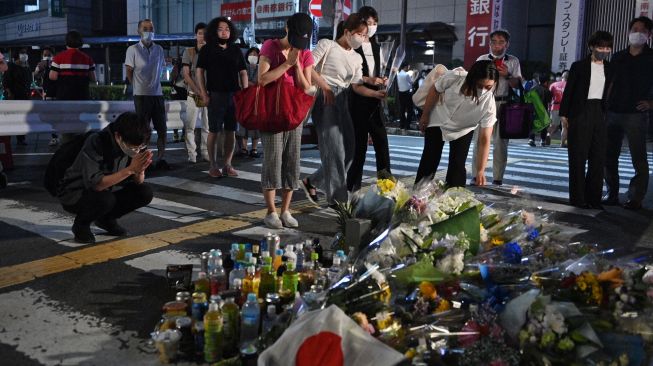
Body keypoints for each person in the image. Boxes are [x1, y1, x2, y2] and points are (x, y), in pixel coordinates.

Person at [300, 13, 386, 209]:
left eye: (365, 36)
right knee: (335, 150)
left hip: (343, 99)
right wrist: (325, 86)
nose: (363, 39)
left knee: (350, 151)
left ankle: (312, 181)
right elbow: (308, 67)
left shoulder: (356, 57)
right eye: (360, 34)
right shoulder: (327, 45)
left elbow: (356, 84)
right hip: (325, 97)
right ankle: (338, 201)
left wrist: (374, 91)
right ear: (347, 31)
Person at [57, 112, 154, 244]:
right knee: (105, 199)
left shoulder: (137, 141)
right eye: (133, 147)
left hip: (109, 190)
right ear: (118, 136)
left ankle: (106, 219)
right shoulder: (97, 141)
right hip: (76, 192)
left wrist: (140, 171)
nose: (136, 151)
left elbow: (138, 182)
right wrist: (130, 169)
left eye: (140, 147)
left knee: (144, 192)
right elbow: (96, 184)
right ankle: (81, 225)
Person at [258, 13, 314, 229]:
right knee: (272, 160)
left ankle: (286, 211)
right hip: (272, 112)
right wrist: (284, 66)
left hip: (294, 114)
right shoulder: (270, 47)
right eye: (295, 38)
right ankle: (271, 211)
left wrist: (297, 65)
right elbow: (261, 80)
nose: (297, 44)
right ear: (287, 28)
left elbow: (306, 86)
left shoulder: (305, 53)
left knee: (292, 160)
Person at [415, 60, 498, 187]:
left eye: (488, 87)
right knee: (430, 158)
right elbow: (435, 89)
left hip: (463, 129)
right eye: (480, 86)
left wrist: (480, 171)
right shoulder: (455, 77)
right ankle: (418, 197)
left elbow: (485, 139)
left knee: (457, 164)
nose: (483, 91)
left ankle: (454, 200)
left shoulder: (489, 104)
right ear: (472, 79)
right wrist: (425, 116)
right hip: (439, 118)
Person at [603, 16, 653, 210]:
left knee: (638, 157)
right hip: (613, 111)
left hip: (636, 114)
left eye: (642, 30)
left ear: (649, 34)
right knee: (609, 155)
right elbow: (609, 83)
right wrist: (603, 107)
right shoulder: (618, 57)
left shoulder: (651, 57)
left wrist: (651, 103)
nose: (637, 33)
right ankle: (612, 193)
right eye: (634, 29)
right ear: (628, 32)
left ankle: (635, 197)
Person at [559, 31, 613, 210]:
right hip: (580, 112)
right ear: (591, 47)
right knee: (578, 157)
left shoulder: (610, 68)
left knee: (598, 158)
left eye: (606, 48)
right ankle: (578, 198)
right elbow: (569, 92)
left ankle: (594, 199)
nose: (603, 51)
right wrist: (564, 115)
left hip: (600, 112)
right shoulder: (579, 66)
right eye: (600, 47)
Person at [346, 5, 392, 192]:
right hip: (358, 100)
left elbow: (377, 71)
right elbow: (352, 76)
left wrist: (383, 79)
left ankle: (387, 186)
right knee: (359, 148)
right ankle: (352, 188)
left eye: (375, 23)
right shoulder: (352, 46)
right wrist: (369, 80)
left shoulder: (377, 46)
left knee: (382, 144)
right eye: (368, 23)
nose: (372, 27)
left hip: (375, 99)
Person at [196, 17, 248, 178]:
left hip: (234, 95)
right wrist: (204, 93)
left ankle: (227, 164)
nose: (224, 31)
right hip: (215, 95)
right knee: (214, 131)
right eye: (220, 29)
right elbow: (199, 72)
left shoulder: (235, 49)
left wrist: (245, 94)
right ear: (213, 31)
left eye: (227, 28)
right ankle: (213, 165)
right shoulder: (207, 49)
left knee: (231, 131)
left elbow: (243, 72)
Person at [470, 29, 522, 186]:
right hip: (484, 101)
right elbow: (473, 80)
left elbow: (518, 85)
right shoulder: (482, 58)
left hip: (503, 103)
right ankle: (475, 175)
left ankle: (497, 178)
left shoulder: (513, 61)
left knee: (500, 143)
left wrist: (507, 75)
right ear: (489, 43)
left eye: (501, 42)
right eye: (494, 42)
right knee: (479, 139)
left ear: (507, 44)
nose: (497, 45)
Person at [125, 19, 169, 170]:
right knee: (143, 131)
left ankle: (161, 158)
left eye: (151, 28)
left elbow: (162, 69)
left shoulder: (159, 49)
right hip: (141, 96)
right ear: (138, 31)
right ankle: (144, 161)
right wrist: (136, 87)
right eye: (145, 28)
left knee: (162, 129)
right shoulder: (133, 50)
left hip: (157, 95)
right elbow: (129, 71)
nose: (148, 31)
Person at [181, 22, 210, 164]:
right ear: (195, 35)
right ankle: (192, 154)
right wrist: (199, 91)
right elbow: (186, 75)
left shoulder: (212, 51)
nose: (202, 36)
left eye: (205, 33)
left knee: (207, 126)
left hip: (208, 94)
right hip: (193, 94)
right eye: (200, 33)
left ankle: (205, 152)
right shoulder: (189, 52)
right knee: (190, 126)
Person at [50, 31, 96, 101]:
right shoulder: (88, 58)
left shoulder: (58, 57)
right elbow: (93, 78)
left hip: (64, 96)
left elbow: (52, 77)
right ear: (80, 42)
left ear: (66, 42)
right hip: (82, 96)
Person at [236, 47, 262, 158]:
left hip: (257, 99)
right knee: (244, 122)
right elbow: (240, 82)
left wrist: (249, 83)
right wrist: (252, 84)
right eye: (251, 54)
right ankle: (244, 148)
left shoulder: (261, 68)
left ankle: (254, 149)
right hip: (245, 99)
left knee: (256, 124)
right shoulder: (243, 68)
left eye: (256, 54)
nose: (253, 56)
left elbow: (261, 82)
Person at [3, 49, 31, 146]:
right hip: (13, 96)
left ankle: (21, 139)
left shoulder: (26, 67)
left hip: (23, 96)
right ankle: (7, 139)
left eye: (25, 53)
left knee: (22, 119)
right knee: (11, 119)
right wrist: (9, 93)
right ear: (17, 55)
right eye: (22, 53)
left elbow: (28, 81)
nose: (25, 55)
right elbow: (6, 81)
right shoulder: (10, 66)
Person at [34, 47, 60, 145]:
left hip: (57, 93)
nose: (47, 57)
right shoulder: (41, 65)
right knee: (51, 115)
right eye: (45, 55)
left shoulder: (57, 64)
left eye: (49, 55)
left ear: (53, 55)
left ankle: (58, 136)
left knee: (57, 115)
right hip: (47, 93)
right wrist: (40, 69)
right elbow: (36, 75)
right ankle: (54, 136)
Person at [528, 74, 552, 147]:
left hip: (533, 109)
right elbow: (549, 101)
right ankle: (542, 140)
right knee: (544, 125)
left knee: (532, 124)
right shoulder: (547, 90)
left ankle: (531, 139)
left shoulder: (533, 88)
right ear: (546, 82)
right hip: (543, 109)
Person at [549, 70, 568, 147]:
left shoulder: (553, 85)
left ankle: (546, 138)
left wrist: (549, 107)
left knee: (553, 125)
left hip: (554, 107)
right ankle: (562, 143)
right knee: (564, 126)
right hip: (565, 108)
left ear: (562, 77)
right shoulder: (571, 85)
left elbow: (549, 97)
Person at [397, 63, 416, 132]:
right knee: (409, 110)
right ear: (405, 67)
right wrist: (414, 76)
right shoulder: (406, 75)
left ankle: (402, 125)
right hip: (407, 93)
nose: (408, 68)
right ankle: (407, 125)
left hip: (400, 93)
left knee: (402, 109)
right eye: (408, 67)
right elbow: (412, 83)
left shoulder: (398, 74)